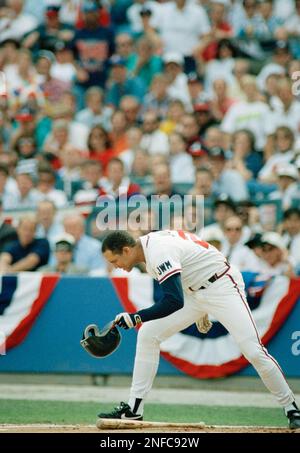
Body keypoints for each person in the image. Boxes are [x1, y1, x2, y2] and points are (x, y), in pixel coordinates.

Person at [98, 230, 300, 429]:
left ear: (126, 250)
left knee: (253, 351)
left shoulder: (158, 251)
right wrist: (201, 310)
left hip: (222, 287)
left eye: (114, 261)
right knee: (148, 334)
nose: (116, 266)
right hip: (196, 292)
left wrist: (136, 317)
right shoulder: (150, 246)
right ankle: (134, 410)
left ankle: (291, 407)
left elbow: (173, 301)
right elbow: (192, 260)